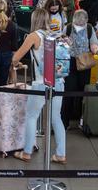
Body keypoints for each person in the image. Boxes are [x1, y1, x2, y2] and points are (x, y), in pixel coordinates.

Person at [11, 8, 66, 163]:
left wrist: (16, 62)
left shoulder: (34, 36)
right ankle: (61, 153)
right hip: (59, 81)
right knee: (56, 117)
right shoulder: (56, 34)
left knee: (31, 116)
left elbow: (16, 57)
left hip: (41, 82)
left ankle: (27, 152)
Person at [62, 10, 98, 129]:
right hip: (71, 62)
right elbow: (61, 44)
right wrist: (65, 43)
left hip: (84, 63)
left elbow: (93, 44)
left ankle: (82, 119)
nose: (79, 27)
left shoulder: (89, 28)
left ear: (86, 21)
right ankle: (64, 121)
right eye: (77, 25)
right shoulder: (67, 28)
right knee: (68, 91)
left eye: (81, 25)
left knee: (83, 90)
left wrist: (96, 50)